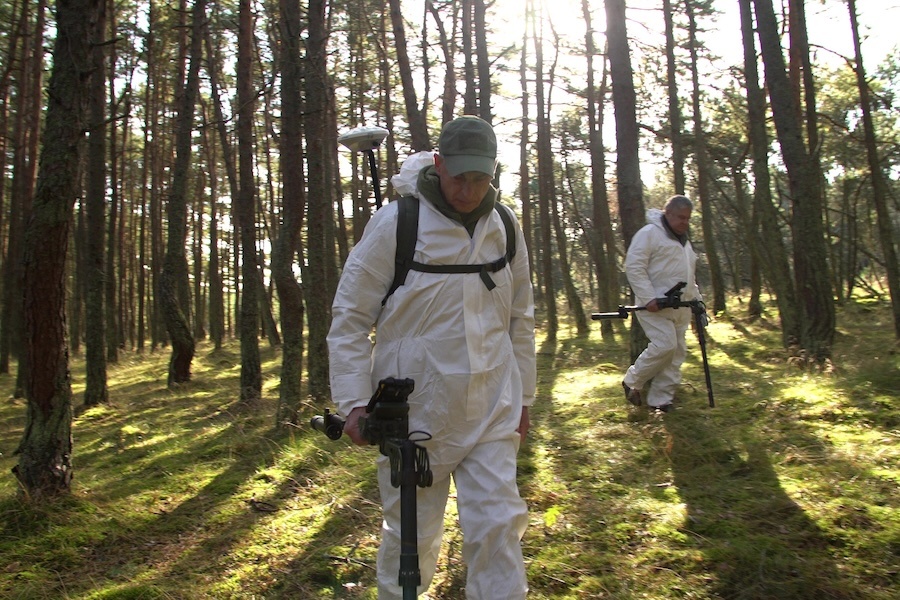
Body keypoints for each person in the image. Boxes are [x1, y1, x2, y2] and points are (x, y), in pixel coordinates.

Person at [327, 115, 536, 599]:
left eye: (480, 178)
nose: (468, 189)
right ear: (438, 164)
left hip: (492, 406)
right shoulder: (397, 223)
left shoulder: (504, 226)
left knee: (499, 525)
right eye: (459, 176)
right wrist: (354, 403)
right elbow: (350, 318)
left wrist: (524, 399)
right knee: (411, 539)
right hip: (415, 412)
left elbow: (520, 317)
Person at [622, 194, 701, 413]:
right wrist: (648, 297)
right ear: (668, 213)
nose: (685, 222)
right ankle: (632, 380)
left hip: (681, 307)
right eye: (681, 217)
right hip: (655, 306)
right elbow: (634, 266)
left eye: (688, 218)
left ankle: (661, 400)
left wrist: (697, 302)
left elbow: (689, 276)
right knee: (665, 345)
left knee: (676, 354)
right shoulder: (649, 234)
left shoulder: (684, 242)